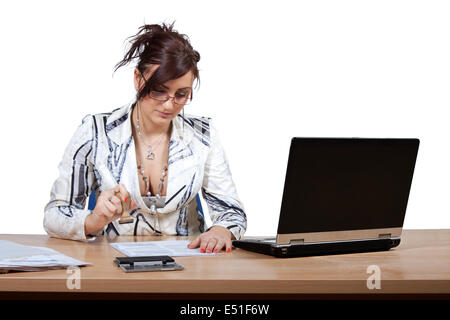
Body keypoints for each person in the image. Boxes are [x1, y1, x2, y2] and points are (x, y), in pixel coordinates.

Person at [43, 22, 247, 253]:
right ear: (138, 80)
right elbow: (54, 215)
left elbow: (231, 211)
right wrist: (94, 220)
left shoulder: (202, 135)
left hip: (188, 267)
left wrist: (222, 229)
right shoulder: (96, 131)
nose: (170, 104)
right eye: (158, 90)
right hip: (112, 267)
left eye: (181, 94)